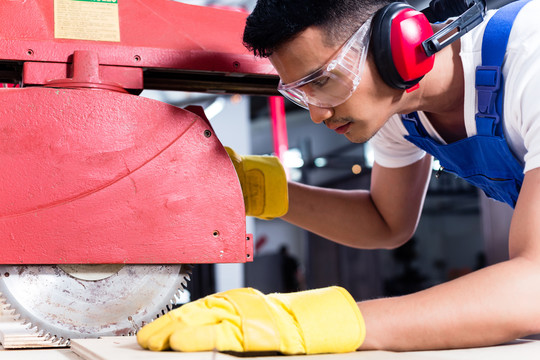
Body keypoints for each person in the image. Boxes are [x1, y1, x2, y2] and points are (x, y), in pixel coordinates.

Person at [137, 0, 540, 354]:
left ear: (400, 43)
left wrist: (316, 321)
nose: (317, 114)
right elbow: (385, 221)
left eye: (323, 81)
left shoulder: (531, 60)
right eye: (301, 94)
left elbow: (533, 285)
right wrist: (257, 190)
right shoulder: (402, 116)